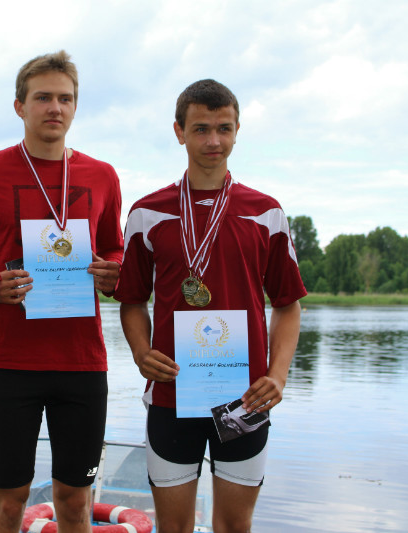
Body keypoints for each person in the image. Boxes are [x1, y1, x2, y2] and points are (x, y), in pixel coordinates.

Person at [114, 79, 306, 533]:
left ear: (238, 131)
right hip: (172, 393)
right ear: (179, 132)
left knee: (234, 526)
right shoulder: (147, 213)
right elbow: (132, 301)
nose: (214, 141)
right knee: (173, 527)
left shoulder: (266, 213)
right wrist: (140, 352)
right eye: (201, 129)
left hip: (244, 398)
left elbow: (288, 305)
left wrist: (278, 375)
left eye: (224, 128)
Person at [0, 50, 124, 532]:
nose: (55, 108)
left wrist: (114, 272)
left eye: (65, 99)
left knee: (74, 501)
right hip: (9, 363)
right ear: (20, 106)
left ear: (75, 106)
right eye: (43, 98)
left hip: (82, 363)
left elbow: (114, 248)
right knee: (8, 504)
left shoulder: (102, 175)